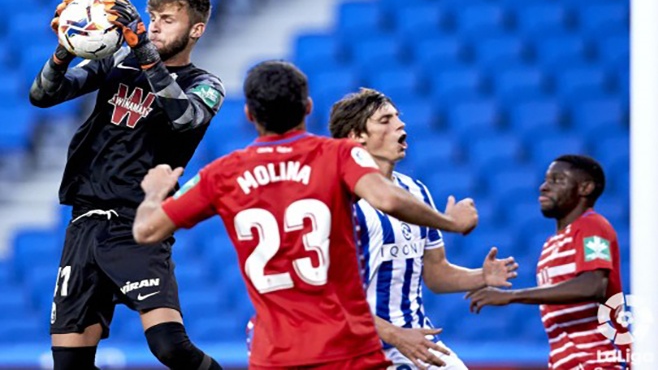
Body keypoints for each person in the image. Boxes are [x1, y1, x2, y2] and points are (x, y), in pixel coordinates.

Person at [132, 60, 480, 369]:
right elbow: (386, 199)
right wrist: (450, 222)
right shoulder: (338, 155)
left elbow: (146, 232)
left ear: (250, 115)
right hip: (346, 348)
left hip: (275, 352)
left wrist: (152, 194)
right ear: (308, 108)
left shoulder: (223, 173)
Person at [29, 0, 224, 370]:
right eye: (152, 18)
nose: (154, 27)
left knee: (170, 347)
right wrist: (64, 52)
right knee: (69, 364)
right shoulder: (116, 63)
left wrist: (143, 51)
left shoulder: (205, 85)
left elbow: (185, 118)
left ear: (195, 30)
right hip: (85, 222)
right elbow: (43, 95)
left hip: (138, 224)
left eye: (167, 20)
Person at [328, 88, 519, 370]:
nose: (400, 124)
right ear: (357, 137)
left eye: (398, 117)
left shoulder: (415, 191)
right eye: (385, 120)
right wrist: (395, 335)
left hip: (416, 340)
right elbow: (333, 297)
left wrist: (482, 276)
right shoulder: (340, 201)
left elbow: (436, 272)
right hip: (360, 349)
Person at [466, 155, 628, 369]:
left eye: (557, 180)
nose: (543, 187)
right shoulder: (551, 244)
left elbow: (593, 285)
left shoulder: (592, 226)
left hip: (598, 360)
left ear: (585, 188)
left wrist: (512, 296)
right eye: (546, 179)